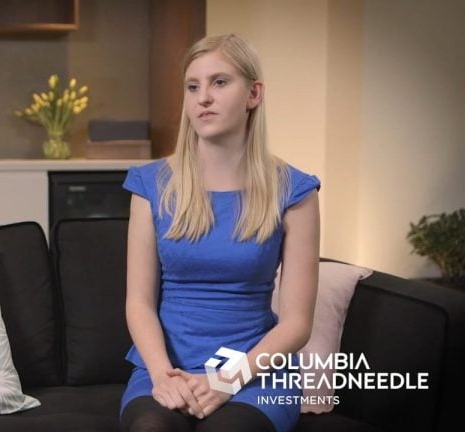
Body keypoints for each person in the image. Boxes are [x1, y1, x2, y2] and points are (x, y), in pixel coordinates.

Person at [119, 33, 320, 432]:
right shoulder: (150, 184)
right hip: (167, 368)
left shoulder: (295, 190)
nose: (202, 97)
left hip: (254, 374)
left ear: (254, 94)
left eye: (220, 82)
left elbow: (297, 323)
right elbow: (138, 302)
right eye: (193, 86)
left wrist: (228, 380)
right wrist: (163, 375)